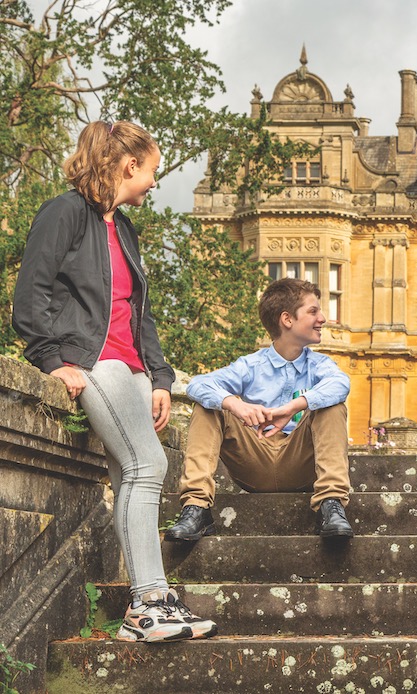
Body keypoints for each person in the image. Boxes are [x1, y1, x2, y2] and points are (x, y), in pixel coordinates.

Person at [13, 121, 216, 642]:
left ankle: (153, 605)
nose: (153, 181)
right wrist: (51, 358)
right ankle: (147, 605)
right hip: (90, 360)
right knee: (150, 464)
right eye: (152, 170)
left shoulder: (122, 228)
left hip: (128, 367)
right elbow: (30, 293)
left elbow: (137, 312)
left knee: (133, 473)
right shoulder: (65, 213)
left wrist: (160, 377)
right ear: (129, 166)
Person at [165, 278, 354, 542]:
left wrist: (293, 407)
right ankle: (196, 507)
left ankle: (331, 505)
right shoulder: (251, 365)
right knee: (210, 404)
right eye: (313, 311)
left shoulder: (320, 364)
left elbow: (340, 384)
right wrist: (235, 404)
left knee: (330, 404)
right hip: (254, 458)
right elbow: (199, 384)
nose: (323, 318)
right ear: (287, 319)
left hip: (301, 462)